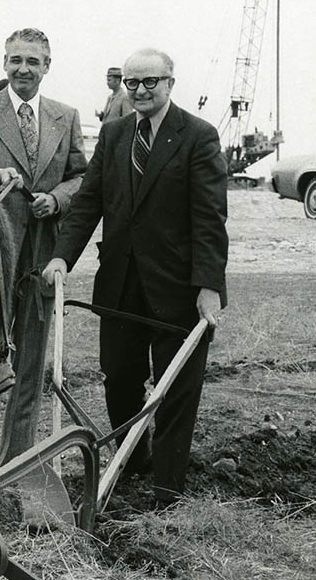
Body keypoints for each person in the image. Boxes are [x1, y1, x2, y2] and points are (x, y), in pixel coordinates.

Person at [43, 48, 228, 506]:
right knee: (119, 379)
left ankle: (168, 487)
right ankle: (133, 460)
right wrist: (62, 256)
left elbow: (210, 219)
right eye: (133, 83)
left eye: (150, 82)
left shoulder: (198, 136)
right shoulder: (114, 134)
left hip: (178, 289)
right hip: (121, 283)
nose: (141, 91)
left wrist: (209, 286)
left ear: (170, 82)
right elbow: (89, 202)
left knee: (176, 387)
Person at [0, 27, 87, 470]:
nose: (23, 69)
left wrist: (59, 199)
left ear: (47, 66)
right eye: (15, 60)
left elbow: (82, 177)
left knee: (31, 360)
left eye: (32, 61)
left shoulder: (65, 117)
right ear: (4, 63)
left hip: (43, 256)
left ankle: (17, 465)